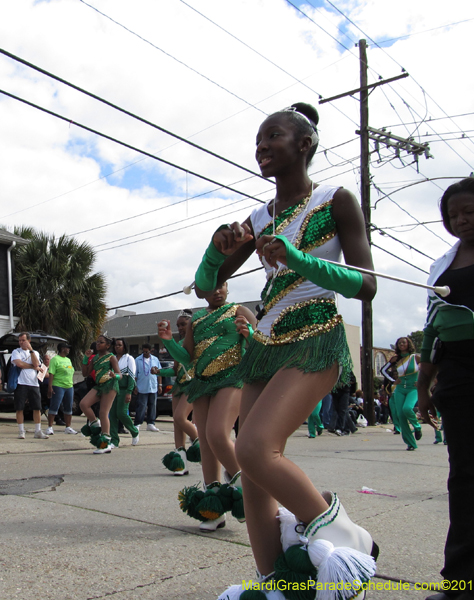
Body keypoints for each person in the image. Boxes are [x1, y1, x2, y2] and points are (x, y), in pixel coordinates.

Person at [197, 103, 379, 596]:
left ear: (304, 145)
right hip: (265, 342)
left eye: (272, 137)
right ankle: (275, 582)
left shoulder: (336, 200)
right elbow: (206, 284)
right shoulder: (259, 217)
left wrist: (298, 258)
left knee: (255, 448)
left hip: (316, 332)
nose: (261, 147)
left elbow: (367, 285)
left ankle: (345, 540)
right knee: (253, 475)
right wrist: (216, 250)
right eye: (257, 140)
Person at [417, 177, 474, 600]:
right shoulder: (442, 265)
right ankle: (464, 584)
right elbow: (431, 329)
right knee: (467, 478)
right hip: (459, 374)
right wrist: (424, 386)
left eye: (469, 211)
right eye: (452, 215)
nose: (460, 221)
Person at [160, 282, 256, 532]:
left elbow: (260, 348)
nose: (217, 291)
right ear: (202, 290)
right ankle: (214, 508)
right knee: (205, 442)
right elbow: (186, 357)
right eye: (211, 286)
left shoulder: (240, 311)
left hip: (232, 377)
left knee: (217, 434)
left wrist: (249, 336)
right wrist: (170, 341)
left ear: (228, 287)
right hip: (201, 383)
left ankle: (249, 491)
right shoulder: (197, 318)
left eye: (221, 285)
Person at [152, 312, 196, 475]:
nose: (180, 328)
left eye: (183, 324)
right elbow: (176, 370)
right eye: (178, 325)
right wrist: (159, 372)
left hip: (193, 385)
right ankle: (181, 462)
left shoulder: (198, 341)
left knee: (180, 417)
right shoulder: (178, 343)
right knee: (177, 425)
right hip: (179, 385)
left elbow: (190, 361)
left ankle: (200, 443)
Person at [78, 334, 120, 453]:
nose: (97, 344)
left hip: (110, 385)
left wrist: (114, 375)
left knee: (103, 412)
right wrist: (86, 358)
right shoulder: (95, 357)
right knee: (83, 404)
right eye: (97, 342)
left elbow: (120, 375)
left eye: (100, 342)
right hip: (99, 385)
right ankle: (95, 423)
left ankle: (105, 442)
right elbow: (85, 373)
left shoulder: (111, 357)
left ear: (107, 345)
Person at [382, 336, 423, 450]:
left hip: (413, 388)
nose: (402, 344)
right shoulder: (396, 359)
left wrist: (420, 381)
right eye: (399, 343)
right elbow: (383, 370)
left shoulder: (416, 357)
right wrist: (393, 381)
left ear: (409, 344)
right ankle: (411, 443)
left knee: (407, 408)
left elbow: (427, 368)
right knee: (400, 415)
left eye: (404, 342)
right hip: (400, 389)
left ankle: (417, 426)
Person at [11, 332, 48, 440]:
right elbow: (19, 364)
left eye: (23, 340)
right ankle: (21, 431)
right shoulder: (16, 351)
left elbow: (37, 364)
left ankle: (38, 430)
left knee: (37, 407)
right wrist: (33, 367)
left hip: (33, 383)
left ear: (28, 341)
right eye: (20, 340)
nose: (21, 342)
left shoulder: (35, 353)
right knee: (20, 407)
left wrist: (31, 349)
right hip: (21, 382)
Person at [108, 338, 139, 449]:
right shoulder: (112, 358)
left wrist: (129, 392)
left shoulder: (129, 359)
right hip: (113, 389)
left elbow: (131, 376)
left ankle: (134, 431)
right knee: (112, 415)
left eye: (120, 345)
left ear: (124, 346)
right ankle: (114, 440)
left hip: (124, 389)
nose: (117, 347)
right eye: (116, 345)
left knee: (121, 413)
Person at [47, 342, 78, 435]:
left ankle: (68, 427)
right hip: (58, 385)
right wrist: (50, 386)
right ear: (62, 348)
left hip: (69, 386)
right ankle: (50, 427)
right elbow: (51, 373)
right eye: (67, 348)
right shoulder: (55, 360)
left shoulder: (68, 360)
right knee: (55, 405)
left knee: (69, 407)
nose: (68, 349)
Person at [133, 344, 161, 431]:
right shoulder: (138, 360)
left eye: (146, 351)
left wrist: (160, 385)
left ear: (150, 351)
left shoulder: (155, 359)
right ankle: (138, 423)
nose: (145, 353)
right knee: (142, 405)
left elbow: (159, 373)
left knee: (153, 405)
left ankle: (151, 423)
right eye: (143, 351)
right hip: (142, 387)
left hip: (152, 386)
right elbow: (135, 375)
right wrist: (135, 386)